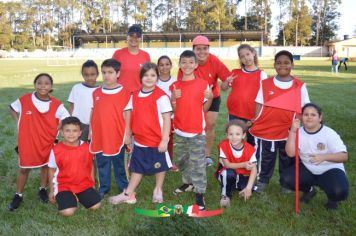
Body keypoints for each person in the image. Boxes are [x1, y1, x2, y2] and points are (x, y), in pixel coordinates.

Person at [109, 63, 172, 205]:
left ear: (157, 77)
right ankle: (127, 193)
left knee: (159, 166)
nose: (149, 78)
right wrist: (128, 134)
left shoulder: (161, 96)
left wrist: (165, 140)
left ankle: (158, 189)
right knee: (137, 168)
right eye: (145, 75)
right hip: (140, 141)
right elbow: (129, 116)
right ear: (140, 77)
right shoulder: (135, 95)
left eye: (153, 75)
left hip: (157, 141)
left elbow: (167, 119)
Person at [249, 50, 310, 193]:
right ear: (274, 65)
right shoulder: (265, 84)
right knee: (266, 157)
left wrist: (296, 124)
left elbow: (304, 106)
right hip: (267, 129)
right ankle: (263, 179)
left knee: (287, 156)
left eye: (286, 63)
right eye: (279, 63)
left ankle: (285, 182)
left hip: (287, 130)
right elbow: (258, 103)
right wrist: (257, 119)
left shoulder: (300, 86)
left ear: (292, 65)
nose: (283, 65)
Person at [8, 73, 69, 211]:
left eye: (46, 83)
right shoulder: (24, 99)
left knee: (46, 166)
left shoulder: (56, 104)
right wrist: (19, 122)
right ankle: (18, 194)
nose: (43, 86)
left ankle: (42, 189)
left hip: (47, 141)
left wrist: (57, 128)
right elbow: (12, 108)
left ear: (51, 86)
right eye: (39, 83)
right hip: (28, 141)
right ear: (35, 84)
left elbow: (66, 117)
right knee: (24, 168)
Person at [178, 35, 231, 167]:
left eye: (205, 49)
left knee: (210, 125)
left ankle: (206, 155)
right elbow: (181, 85)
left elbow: (227, 79)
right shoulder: (188, 63)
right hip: (193, 98)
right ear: (193, 50)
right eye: (198, 49)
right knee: (193, 126)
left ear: (208, 49)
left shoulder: (214, 61)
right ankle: (191, 153)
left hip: (212, 96)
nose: (202, 52)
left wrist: (227, 83)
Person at [283, 103, 349, 210]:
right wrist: (292, 132)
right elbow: (290, 153)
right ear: (301, 117)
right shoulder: (298, 132)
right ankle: (309, 190)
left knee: (339, 192)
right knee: (286, 179)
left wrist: (323, 157)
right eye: (306, 114)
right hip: (308, 167)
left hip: (329, 168)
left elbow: (344, 156)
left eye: (313, 115)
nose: (309, 117)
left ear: (320, 117)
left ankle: (332, 198)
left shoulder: (329, 133)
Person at [170, 50, 213, 210]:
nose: (187, 65)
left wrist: (209, 97)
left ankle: (199, 193)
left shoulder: (202, 84)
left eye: (190, 62)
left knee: (197, 163)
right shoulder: (175, 85)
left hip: (196, 132)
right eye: (184, 62)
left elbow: (205, 107)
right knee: (181, 160)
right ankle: (188, 183)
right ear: (179, 64)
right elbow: (174, 107)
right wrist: (173, 97)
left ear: (196, 65)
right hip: (180, 130)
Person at [89, 59, 132, 199]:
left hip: (118, 135)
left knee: (119, 163)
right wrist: (91, 130)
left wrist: (127, 134)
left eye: (110, 72)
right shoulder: (96, 92)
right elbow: (93, 112)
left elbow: (128, 114)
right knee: (102, 162)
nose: (107, 76)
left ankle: (123, 186)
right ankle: (104, 187)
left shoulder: (125, 92)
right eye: (104, 72)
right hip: (100, 135)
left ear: (118, 73)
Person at [48, 117, 101, 216]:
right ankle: (68, 197)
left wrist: (92, 184)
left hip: (83, 184)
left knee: (96, 206)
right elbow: (51, 170)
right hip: (64, 185)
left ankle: (77, 196)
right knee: (67, 212)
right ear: (62, 132)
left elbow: (90, 166)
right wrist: (51, 190)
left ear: (80, 133)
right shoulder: (56, 150)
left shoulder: (86, 148)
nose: (71, 134)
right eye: (67, 131)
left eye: (74, 131)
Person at [221, 44, 268, 145]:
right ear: (240, 59)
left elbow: (264, 97)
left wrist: (257, 116)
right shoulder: (235, 72)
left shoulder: (262, 74)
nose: (246, 58)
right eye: (242, 56)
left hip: (251, 115)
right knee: (235, 141)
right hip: (234, 113)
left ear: (253, 54)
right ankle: (235, 159)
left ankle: (251, 160)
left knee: (252, 142)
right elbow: (224, 88)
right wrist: (226, 81)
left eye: (248, 54)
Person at [215, 120, 257, 207]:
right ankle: (225, 195)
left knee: (247, 188)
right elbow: (227, 165)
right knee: (227, 173)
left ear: (243, 135)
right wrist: (244, 164)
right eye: (231, 134)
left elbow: (254, 168)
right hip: (228, 172)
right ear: (227, 135)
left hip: (243, 174)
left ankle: (238, 186)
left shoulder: (250, 149)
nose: (234, 137)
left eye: (237, 134)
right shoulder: (223, 145)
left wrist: (248, 188)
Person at [112, 24, 151, 93]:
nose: (134, 39)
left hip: (140, 95)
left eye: (137, 36)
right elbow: (111, 74)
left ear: (140, 38)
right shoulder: (118, 54)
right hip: (120, 94)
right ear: (127, 37)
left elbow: (149, 76)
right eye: (131, 36)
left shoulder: (146, 55)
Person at [68, 60, 99, 142]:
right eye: (86, 75)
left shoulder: (101, 90)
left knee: (94, 148)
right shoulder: (76, 88)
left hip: (96, 125)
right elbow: (71, 106)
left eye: (92, 74)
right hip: (79, 124)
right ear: (82, 75)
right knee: (79, 147)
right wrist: (71, 122)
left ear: (97, 74)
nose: (89, 78)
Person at [156, 55, 178, 171]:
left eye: (167, 64)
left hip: (171, 116)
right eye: (161, 64)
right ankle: (154, 160)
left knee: (168, 140)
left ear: (171, 65)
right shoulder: (155, 81)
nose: (164, 67)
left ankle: (169, 162)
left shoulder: (175, 81)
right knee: (155, 138)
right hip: (156, 116)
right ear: (158, 67)